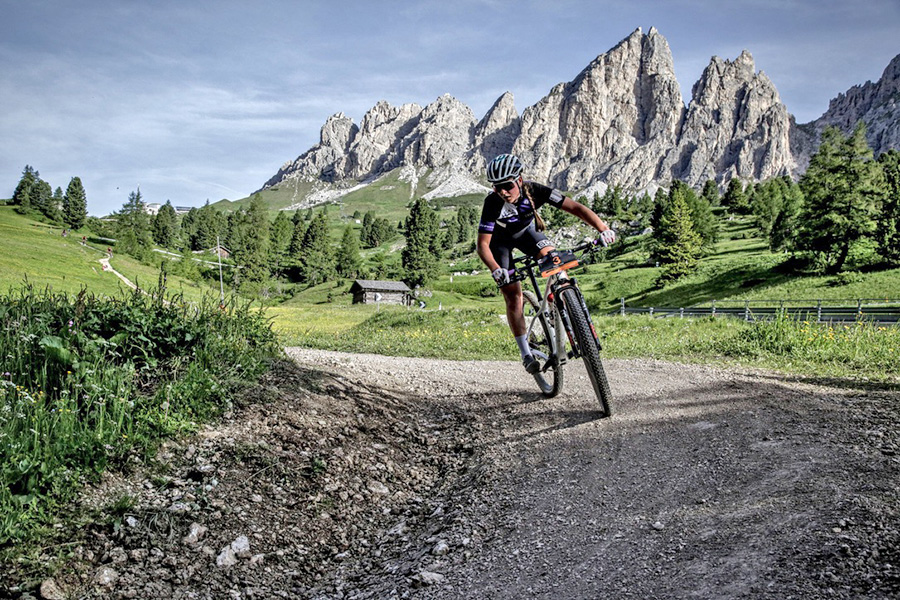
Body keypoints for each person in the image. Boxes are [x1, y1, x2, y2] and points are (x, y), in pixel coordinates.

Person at [476, 154, 616, 373]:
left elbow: (576, 208)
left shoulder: (535, 190)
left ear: (519, 180)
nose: (503, 192)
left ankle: (560, 300)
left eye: (507, 185)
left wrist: (603, 228)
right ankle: (525, 353)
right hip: (499, 245)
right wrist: (496, 269)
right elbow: (483, 245)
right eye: (497, 188)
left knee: (555, 261)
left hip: (526, 235)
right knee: (513, 296)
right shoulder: (492, 203)